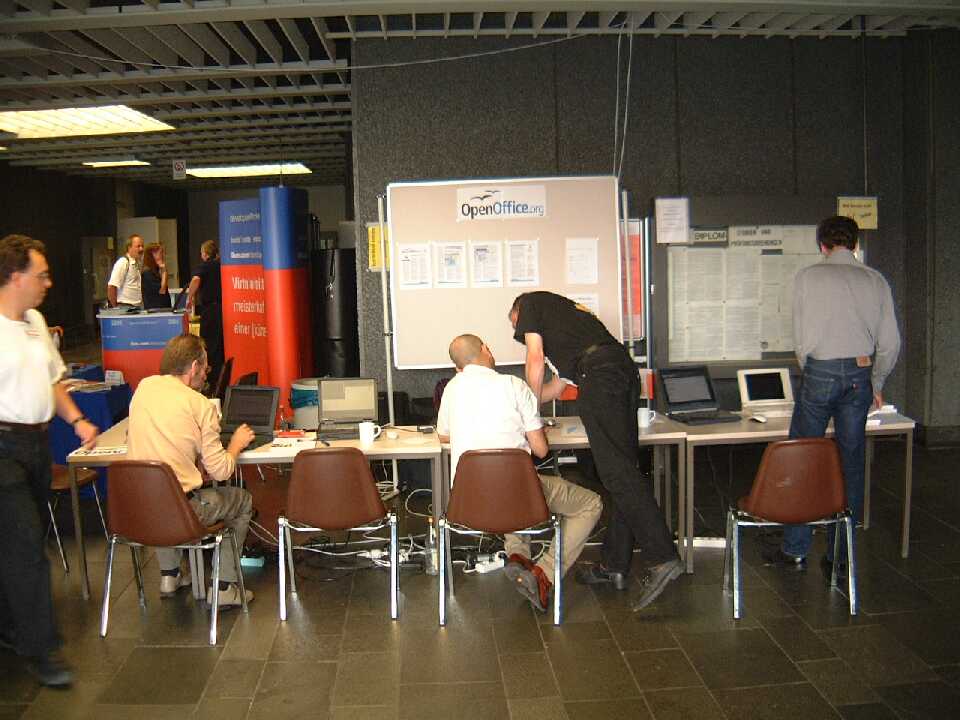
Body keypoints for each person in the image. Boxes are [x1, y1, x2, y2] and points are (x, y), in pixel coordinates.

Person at [509, 292, 682, 611]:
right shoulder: (572, 328)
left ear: (519, 313)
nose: (519, 334)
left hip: (600, 378)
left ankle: (663, 556)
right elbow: (555, 388)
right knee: (623, 472)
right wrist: (525, 401)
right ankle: (614, 565)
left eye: (517, 327)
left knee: (617, 474)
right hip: (621, 373)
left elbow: (534, 359)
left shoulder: (532, 303)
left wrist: (528, 412)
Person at [764, 216, 900, 574]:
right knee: (850, 463)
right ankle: (840, 555)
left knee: (802, 457)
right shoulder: (875, 279)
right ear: (855, 244)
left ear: (822, 245)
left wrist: (812, 369)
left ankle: (795, 548)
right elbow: (890, 342)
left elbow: (800, 339)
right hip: (859, 375)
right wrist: (877, 383)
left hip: (819, 371)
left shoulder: (808, 277)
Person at [437, 334, 602, 612]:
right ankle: (544, 574)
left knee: (511, 488)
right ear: (486, 349)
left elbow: (443, 436)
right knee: (589, 504)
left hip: (468, 500)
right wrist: (524, 431)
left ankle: (518, 557)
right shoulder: (514, 385)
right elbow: (540, 450)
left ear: (458, 367)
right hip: (516, 495)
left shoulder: (452, 389)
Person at [0, 234, 99, 687]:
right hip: (2, 449)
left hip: (36, 446)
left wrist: (77, 421)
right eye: (40, 275)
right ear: (14, 277)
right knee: (26, 550)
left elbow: (54, 381)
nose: (48, 283)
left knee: (21, 542)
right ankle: (43, 651)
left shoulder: (37, 322)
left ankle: (11, 627)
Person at [127, 333, 255, 607]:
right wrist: (236, 444)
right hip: (183, 512)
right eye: (206, 368)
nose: (206, 374)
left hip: (137, 510)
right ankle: (224, 587)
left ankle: (170, 575)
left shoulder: (144, 388)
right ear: (194, 367)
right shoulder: (200, 405)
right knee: (242, 500)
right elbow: (221, 472)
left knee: (159, 490)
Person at [187, 240, 224, 393]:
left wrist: (190, 297)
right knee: (220, 346)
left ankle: (209, 384)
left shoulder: (205, 266)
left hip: (210, 311)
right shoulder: (221, 265)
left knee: (208, 345)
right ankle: (220, 383)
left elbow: (196, 279)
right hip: (222, 309)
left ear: (205, 253)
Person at [107, 234, 144, 308]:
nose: (141, 249)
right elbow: (111, 287)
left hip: (136, 307)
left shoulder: (136, 264)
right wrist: (116, 308)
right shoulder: (123, 262)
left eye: (142, 246)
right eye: (138, 246)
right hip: (125, 307)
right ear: (129, 248)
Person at [140, 242, 169, 310]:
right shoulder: (147, 273)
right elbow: (162, 290)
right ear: (153, 254)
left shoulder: (156, 271)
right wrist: (164, 271)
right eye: (160, 253)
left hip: (161, 308)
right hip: (155, 310)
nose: (163, 255)